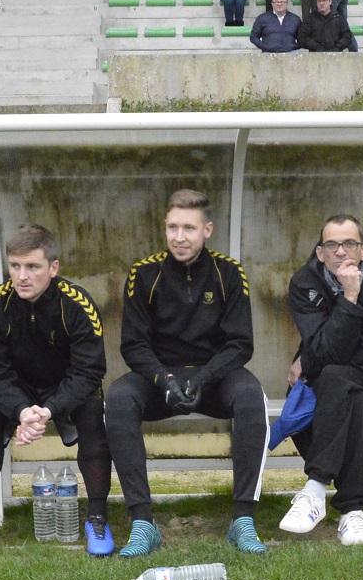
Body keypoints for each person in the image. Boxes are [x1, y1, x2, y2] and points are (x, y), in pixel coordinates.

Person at [107, 189, 269, 557]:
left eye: (189, 228)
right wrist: (163, 379)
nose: (179, 237)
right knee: (118, 397)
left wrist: (204, 377)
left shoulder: (229, 272)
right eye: (172, 227)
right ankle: (143, 523)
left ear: (207, 230)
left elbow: (240, 344)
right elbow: (133, 345)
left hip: (213, 379)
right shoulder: (144, 273)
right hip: (160, 380)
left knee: (250, 395)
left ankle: (243, 519)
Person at [0, 225, 115, 557]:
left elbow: (89, 371)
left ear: (53, 268)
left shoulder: (78, 304)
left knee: (92, 413)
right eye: (15, 266)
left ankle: (98, 519)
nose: (22, 276)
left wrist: (49, 409)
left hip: (68, 386)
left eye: (32, 267)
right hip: (18, 389)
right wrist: (23, 411)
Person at [276, 215, 363, 546]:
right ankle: (352, 511)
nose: (340, 251)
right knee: (349, 395)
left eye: (349, 243)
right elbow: (321, 347)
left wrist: (311, 359)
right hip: (328, 375)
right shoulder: (304, 282)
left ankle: (316, 487)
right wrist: (349, 298)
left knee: (338, 378)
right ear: (320, 253)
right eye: (331, 245)